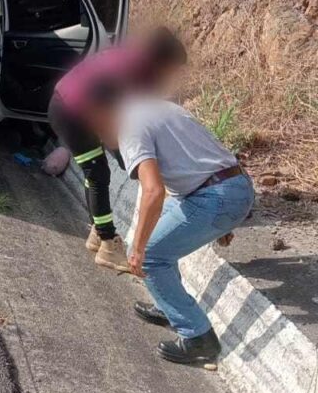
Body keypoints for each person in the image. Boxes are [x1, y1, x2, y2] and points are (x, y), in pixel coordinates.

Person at [119, 97, 255, 365]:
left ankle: (198, 337)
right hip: (235, 185)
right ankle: (168, 306)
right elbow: (197, 160)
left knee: (151, 255)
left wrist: (138, 247)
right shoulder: (158, 108)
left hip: (215, 197)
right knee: (159, 240)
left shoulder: (129, 127)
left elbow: (153, 191)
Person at [48, 28, 187, 272]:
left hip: (76, 107)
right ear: (162, 62)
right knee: (97, 172)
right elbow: (97, 105)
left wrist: (129, 152)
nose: (173, 76)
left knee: (109, 168)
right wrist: (114, 141)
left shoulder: (135, 63)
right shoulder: (133, 70)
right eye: (173, 70)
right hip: (71, 111)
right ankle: (107, 245)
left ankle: (97, 232)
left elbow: (137, 115)